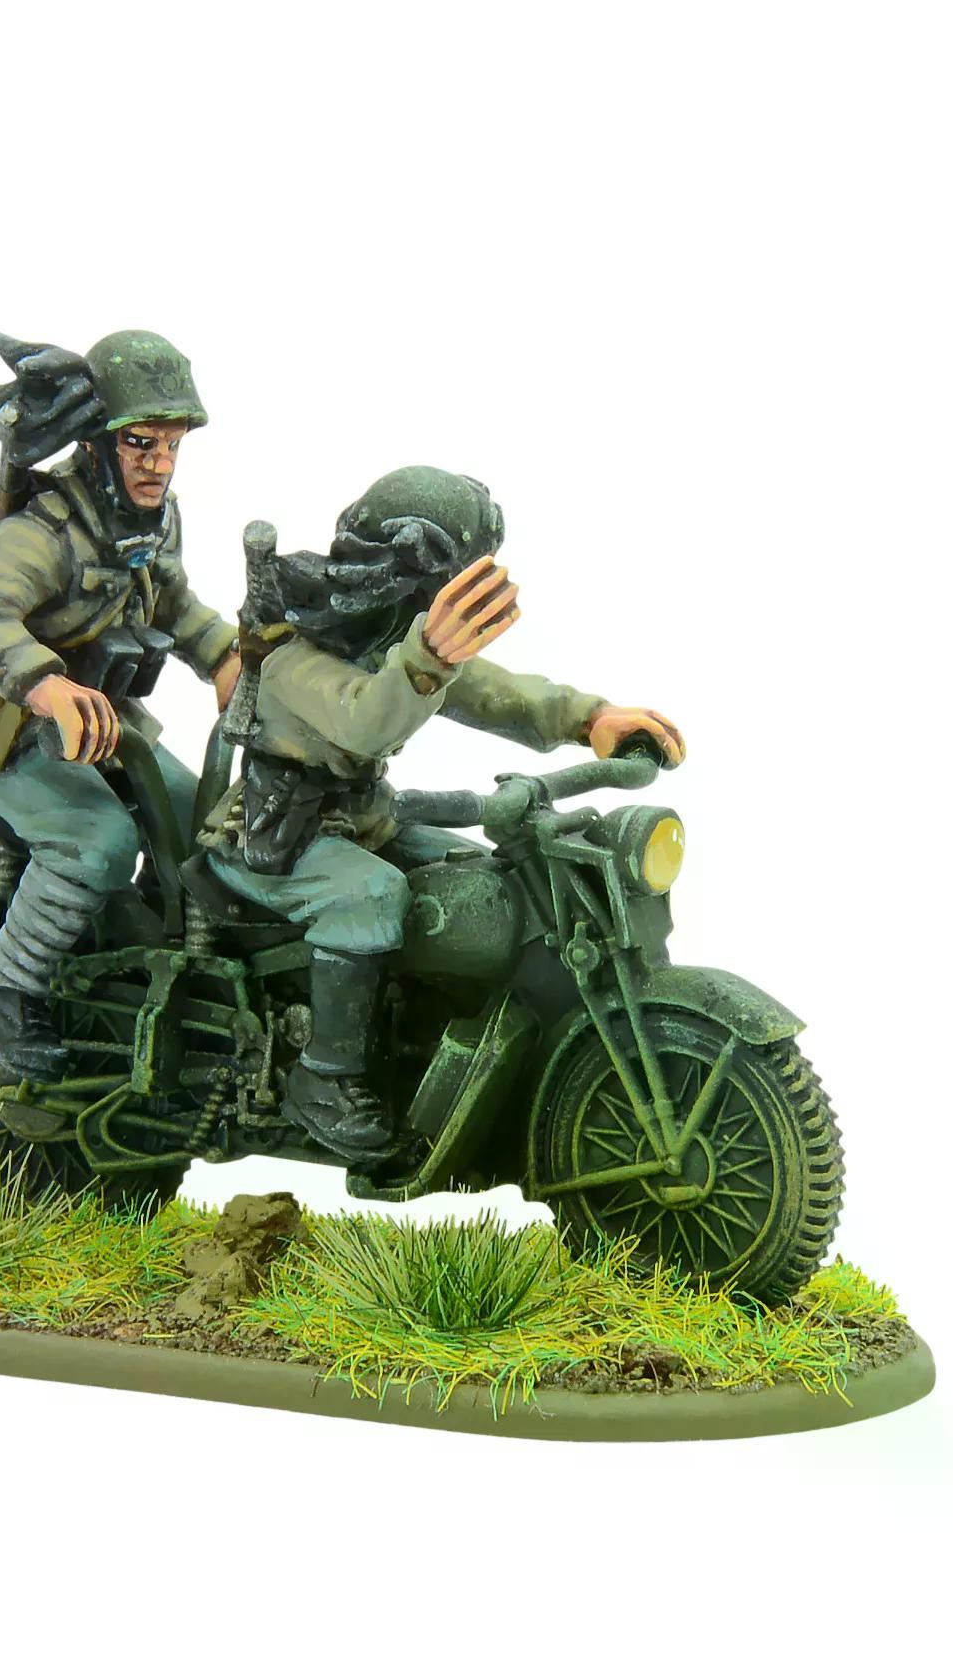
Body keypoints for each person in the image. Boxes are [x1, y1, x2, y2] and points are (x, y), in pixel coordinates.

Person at [204, 466, 684, 1158]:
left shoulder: (387, 633)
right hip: (275, 838)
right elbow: (366, 721)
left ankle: (443, 1041)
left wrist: (590, 718)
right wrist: (429, 656)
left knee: (481, 881)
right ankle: (325, 1076)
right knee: (373, 894)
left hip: (363, 820)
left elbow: (486, 689)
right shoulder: (290, 651)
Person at [0, 330, 239, 1078]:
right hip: (11, 729)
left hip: (106, 725)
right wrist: (48, 685)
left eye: (171, 445)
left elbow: (173, 601)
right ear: (99, 443)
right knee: (98, 842)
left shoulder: (154, 519)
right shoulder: (42, 531)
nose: (159, 464)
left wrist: (225, 656)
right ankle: (3, 987)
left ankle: (160, 952)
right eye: (140, 443)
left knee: (209, 823)